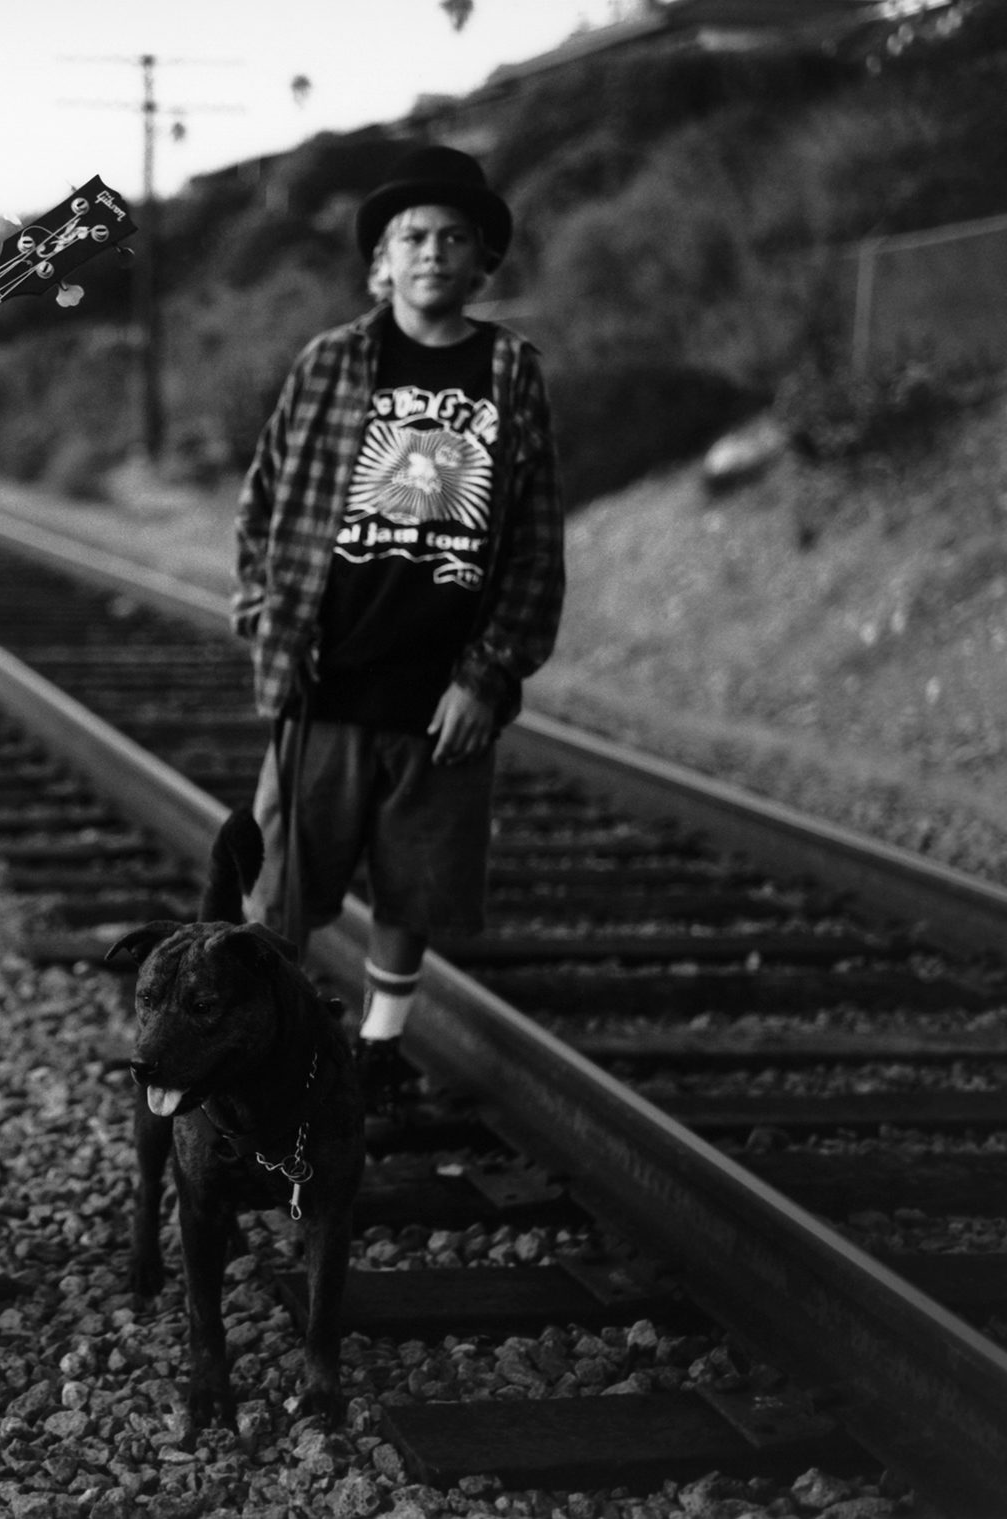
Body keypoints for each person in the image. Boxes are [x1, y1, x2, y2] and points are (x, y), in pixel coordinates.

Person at [231, 143, 565, 1117]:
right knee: (284, 887)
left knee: (415, 888)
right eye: (412, 237)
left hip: (441, 690)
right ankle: (276, 1053)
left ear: (480, 263)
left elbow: (537, 543)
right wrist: (269, 625)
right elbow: (262, 506)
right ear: (382, 260)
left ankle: (379, 1048)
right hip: (325, 676)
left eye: (454, 238)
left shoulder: (510, 369)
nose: (432, 252)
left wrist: (490, 676)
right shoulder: (330, 362)